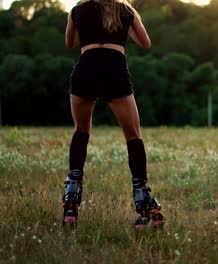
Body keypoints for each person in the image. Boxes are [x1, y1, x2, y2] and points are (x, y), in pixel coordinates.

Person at [62, 0, 163, 229]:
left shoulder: (77, 9)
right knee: (133, 136)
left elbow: (70, 43)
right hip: (114, 70)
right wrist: (123, 28)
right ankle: (143, 201)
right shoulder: (126, 10)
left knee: (81, 131)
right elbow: (145, 43)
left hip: (85, 70)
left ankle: (71, 199)